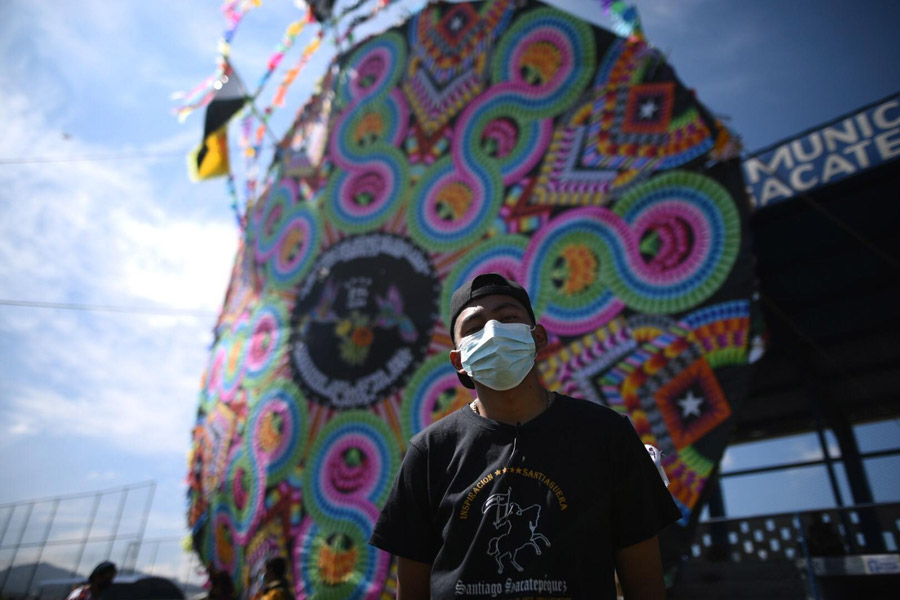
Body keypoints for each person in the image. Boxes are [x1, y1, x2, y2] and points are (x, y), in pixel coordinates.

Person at [370, 273, 682, 599]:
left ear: (539, 338)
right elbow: (412, 586)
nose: (493, 332)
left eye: (508, 318)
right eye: (474, 328)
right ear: (458, 360)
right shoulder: (430, 451)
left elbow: (645, 585)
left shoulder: (608, 435)